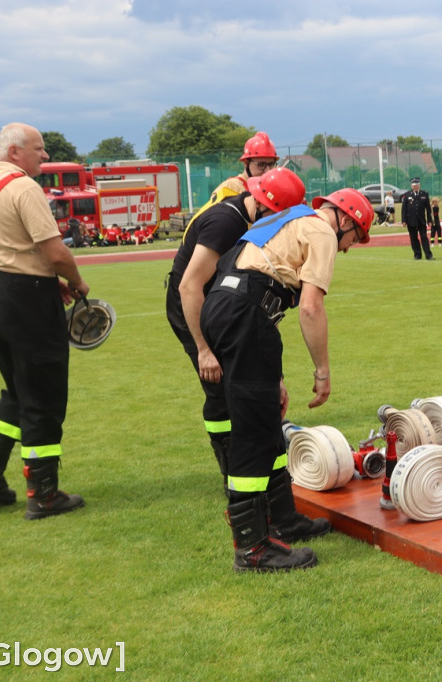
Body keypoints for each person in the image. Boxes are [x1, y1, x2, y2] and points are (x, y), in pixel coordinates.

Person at [199, 187, 374, 573]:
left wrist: (274, 376)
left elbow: (257, 280)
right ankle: (253, 548)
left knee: (268, 422)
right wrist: (322, 371)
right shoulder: (323, 231)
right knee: (254, 431)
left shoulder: (287, 217)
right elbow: (310, 308)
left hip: (225, 308)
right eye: (354, 238)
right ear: (344, 219)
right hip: (246, 314)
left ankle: (283, 518)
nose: (347, 247)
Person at [0, 122, 89, 520]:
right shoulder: (22, 187)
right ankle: (44, 494)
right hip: (23, 301)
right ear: (15, 152)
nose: (45, 156)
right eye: (39, 148)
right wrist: (75, 281)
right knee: (44, 395)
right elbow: (55, 252)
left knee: (16, 386)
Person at [167, 168, 307, 489]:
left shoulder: (254, 222)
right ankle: (232, 466)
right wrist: (204, 350)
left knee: (244, 382)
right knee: (219, 386)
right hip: (193, 303)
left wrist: (276, 376)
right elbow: (189, 287)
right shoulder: (226, 223)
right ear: (264, 206)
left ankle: (250, 469)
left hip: (224, 302)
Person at [182, 132, 279, 237]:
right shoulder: (230, 188)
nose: (268, 170)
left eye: (271, 164)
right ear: (246, 163)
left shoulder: (269, 190)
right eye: (261, 165)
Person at [401, 177, 433, 260]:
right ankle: (417, 254)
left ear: (419, 185)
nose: (416, 187)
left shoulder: (424, 194)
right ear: (411, 186)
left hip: (421, 220)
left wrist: (430, 220)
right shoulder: (407, 195)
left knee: (424, 237)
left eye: (417, 185)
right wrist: (404, 220)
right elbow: (404, 209)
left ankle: (428, 255)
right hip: (411, 221)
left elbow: (428, 209)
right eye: (414, 185)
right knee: (413, 238)